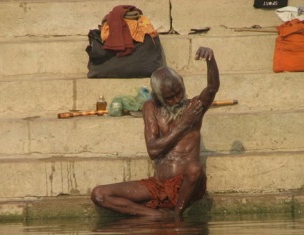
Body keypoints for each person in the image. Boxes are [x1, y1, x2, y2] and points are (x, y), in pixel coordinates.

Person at [91, 47, 220, 218]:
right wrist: (184, 123)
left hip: (187, 186)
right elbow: (153, 150)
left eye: (179, 93)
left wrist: (210, 59)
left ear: (182, 83)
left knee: (195, 169)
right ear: (158, 97)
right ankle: (156, 216)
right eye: (169, 98)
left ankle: (176, 216)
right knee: (99, 194)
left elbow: (212, 87)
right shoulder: (151, 108)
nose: (176, 100)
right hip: (158, 184)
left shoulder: (194, 107)